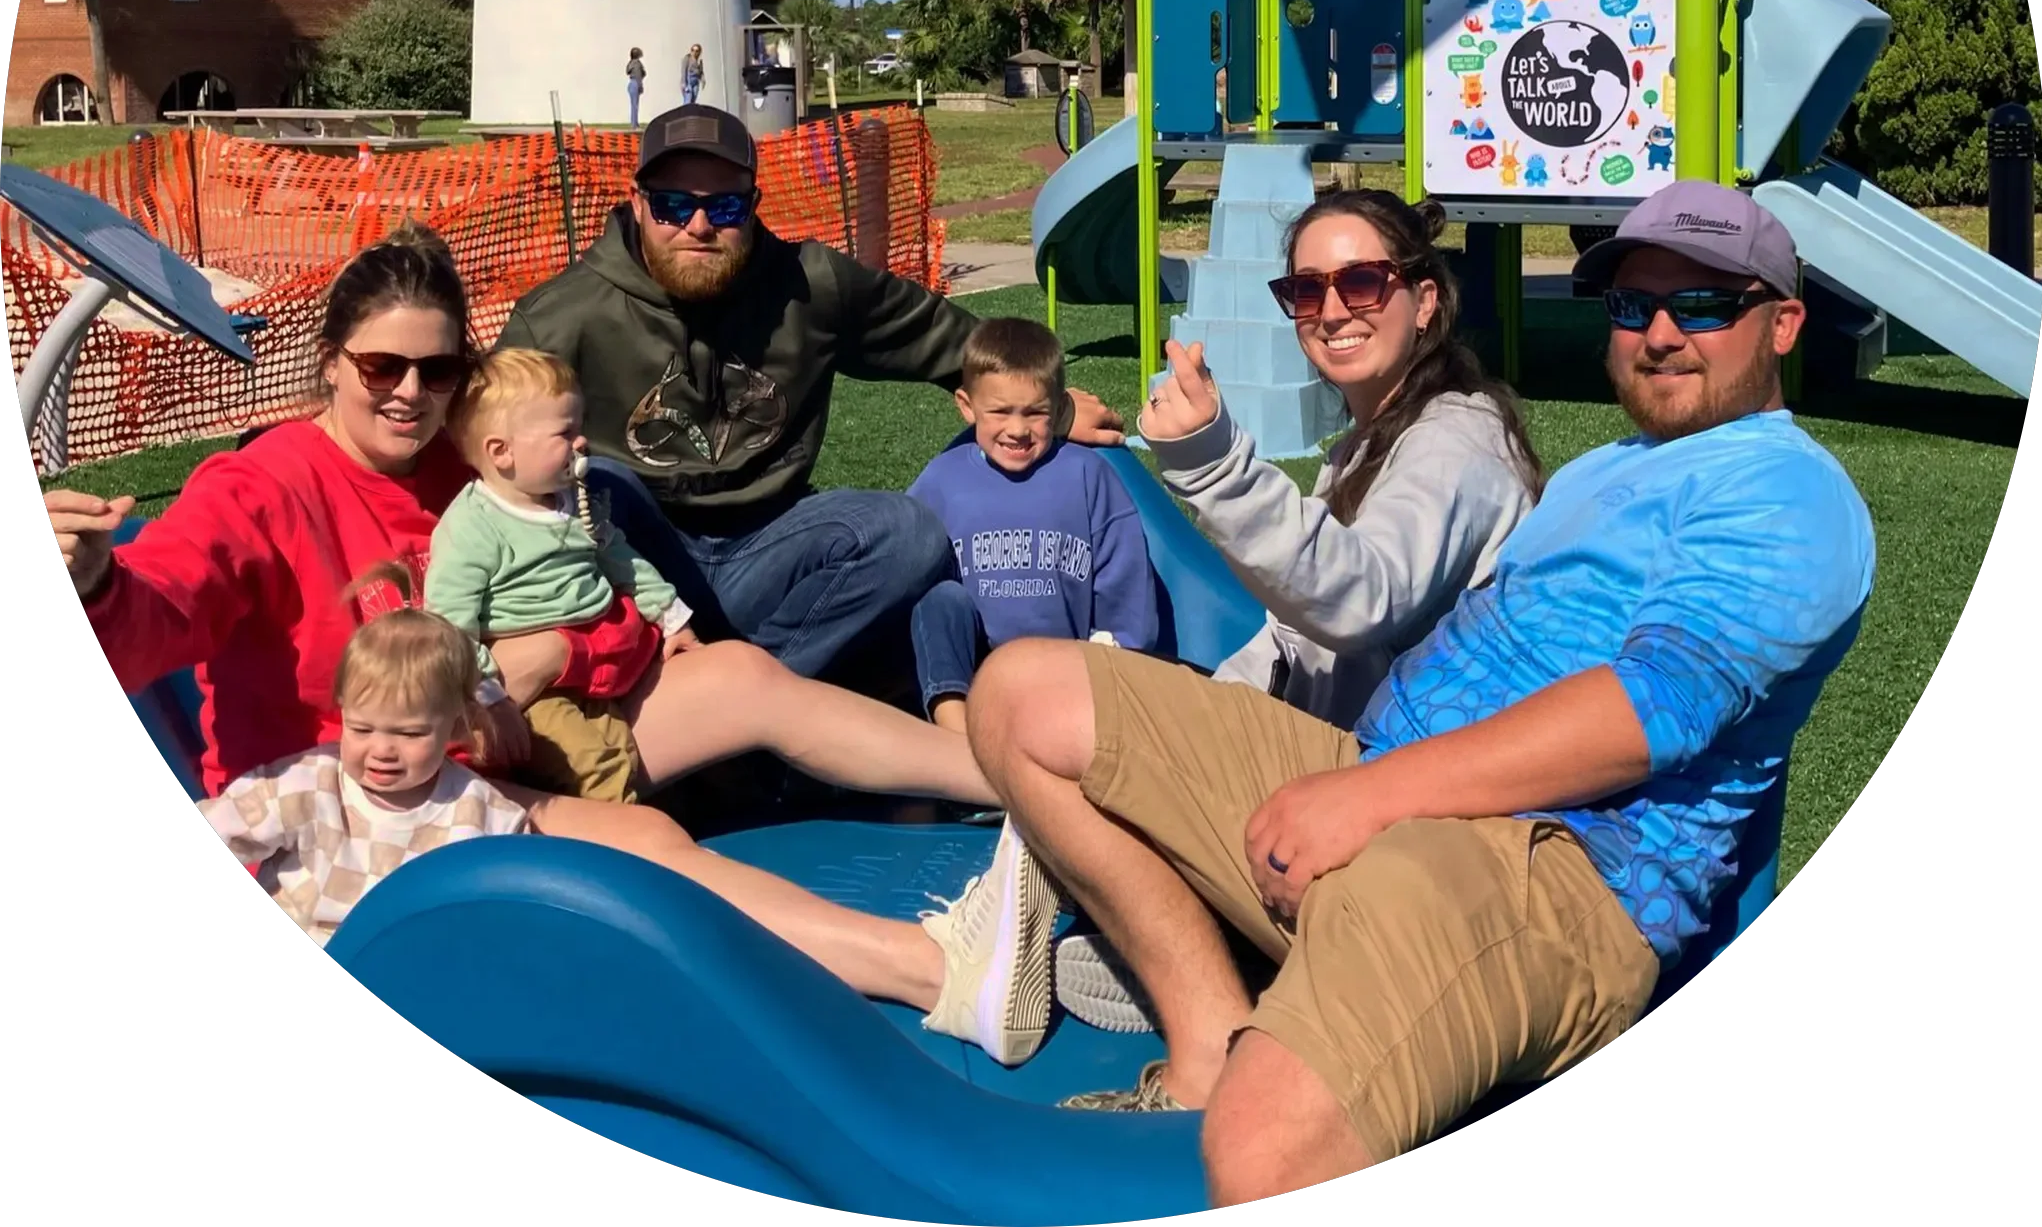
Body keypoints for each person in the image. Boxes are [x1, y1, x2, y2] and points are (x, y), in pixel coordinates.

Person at [956, 181, 1877, 1205]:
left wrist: (1366, 798)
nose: (1660, 334)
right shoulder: (1606, 470)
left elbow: (1643, 712)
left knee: (1264, 1146)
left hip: (1546, 865)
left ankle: (1273, 1024)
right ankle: (1213, 1035)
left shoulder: (1784, 489)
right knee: (1025, 695)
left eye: (1701, 306)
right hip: (1387, 780)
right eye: (1633, 305)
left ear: (1781, 324)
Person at [47, 220, 1067, 1065]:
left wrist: (551, 661)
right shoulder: (261, 487)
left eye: (438, 368)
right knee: (646, 848)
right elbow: (152, 620)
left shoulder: (466, 474)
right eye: (381, 365)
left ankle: (1033, 780)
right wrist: (93, 580)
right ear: (331, 363)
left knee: (740, 674)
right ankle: (941, 975)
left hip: (517, 729)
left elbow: (600, 605)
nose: (409, 391)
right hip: (365, 790)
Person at [1052, 189, 1544, 1032]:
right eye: (1306, 291)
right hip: (1354, 766)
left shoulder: (1458, 442)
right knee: (1098, 715)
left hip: (1404, 804)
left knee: (1049, 699)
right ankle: (1163, 924)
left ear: (1425, 300)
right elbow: (1294, 638)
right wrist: (1202, 709)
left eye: (1362, 282)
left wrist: (1214, 462)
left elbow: (1361, 598)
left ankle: (1196, 964)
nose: (1332, 311)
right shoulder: (1374, 439)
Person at [491, 103, 1123, 704]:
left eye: (725, 206)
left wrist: (1055, 407)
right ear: (637, 203)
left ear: (753, 204)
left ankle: (733, 705)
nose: (699, 226)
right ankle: (751, 707)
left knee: (908, 534)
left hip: (771, 547)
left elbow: (943, 338)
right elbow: (486, 458)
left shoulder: (808, 284)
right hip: (639, 563)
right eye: (673, 205)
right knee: (603, 481)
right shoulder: (561, 318)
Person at [197, 564, 532, 949]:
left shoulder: (480, 814)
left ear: (456, 725)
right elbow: (227, 823)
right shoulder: (307, 786)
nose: (382, 750)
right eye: (361, 729)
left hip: (409, 966)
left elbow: (518, 902)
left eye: (410, 734)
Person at [425, 348, 700, 804]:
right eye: (565, 432)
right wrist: (489, 695)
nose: (581, 442)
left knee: (622, 752)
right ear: (502, 451)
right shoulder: (473, 527)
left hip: (595, 669)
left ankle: (619, 824)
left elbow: (620, 559)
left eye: (579, 426)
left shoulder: (572, 499)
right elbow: (450, 625)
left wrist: (671, 617)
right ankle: (625, 839)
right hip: (538, 696)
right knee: (596, 767)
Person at [907, 316, 1161, 735]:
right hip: (970, 682)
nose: (1018, 429)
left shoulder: (1087, 476)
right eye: (999, 411)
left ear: (1059, 410)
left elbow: (1124, 582)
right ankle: (958, 738)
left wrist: (1116, 657)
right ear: (967, 406)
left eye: (1036, 412)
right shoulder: (941, 480)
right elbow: (903, 570)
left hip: (1064, 684)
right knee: (939, 600)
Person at [627, 48, 647, 128]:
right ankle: (634, 124)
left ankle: (634, 122)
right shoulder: (637, 64)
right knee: (635, 105)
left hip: (631, 83)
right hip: (636, 83)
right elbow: (639, 75)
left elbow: (627, 71)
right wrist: (640, 86)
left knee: (633, 105)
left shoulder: (630, 63)